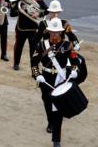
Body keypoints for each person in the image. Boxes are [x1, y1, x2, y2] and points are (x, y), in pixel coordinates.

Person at [31, 18, 81, 147]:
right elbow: (34, 62)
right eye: (52, 32)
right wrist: (37, 75)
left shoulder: (67, 45)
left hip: (61, 78)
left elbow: (75, 62)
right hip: (46, 78)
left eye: (56, 32)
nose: (54, 35)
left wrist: (75, 71)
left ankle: (56, 140)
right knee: (48, 102)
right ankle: (50, 121)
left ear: (60, 32)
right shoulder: (42, 45)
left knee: (57, 108)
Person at [10, 0, 47, 70]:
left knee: (34, 49)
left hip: (33, 28)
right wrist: (18, 7)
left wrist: (39, 14)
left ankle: (33, 66)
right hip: (21, 27)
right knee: (18, 46)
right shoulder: (18, 0)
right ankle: (16, 63)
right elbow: (12, 14)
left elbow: (47, 10)